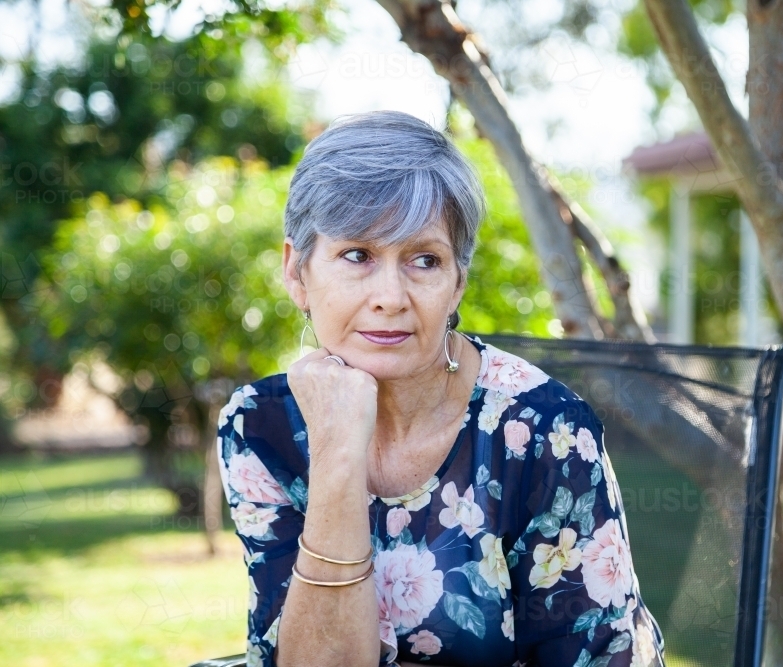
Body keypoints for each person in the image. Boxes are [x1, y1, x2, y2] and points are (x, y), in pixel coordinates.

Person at [215, 109, 666, 667]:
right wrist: (336, 454)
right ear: (297, 270)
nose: (391, 296)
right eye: (357, 255)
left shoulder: (546, 432)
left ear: (457, 283)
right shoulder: (260, 425)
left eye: (424, 260)